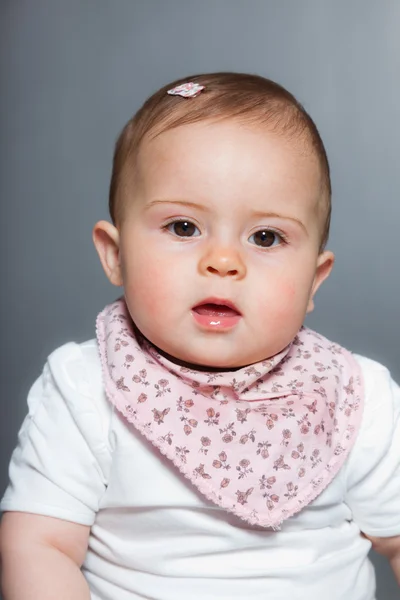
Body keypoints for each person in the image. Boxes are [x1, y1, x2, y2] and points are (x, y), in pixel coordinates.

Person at [0, 72, 399, 600]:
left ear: (313, 281)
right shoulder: (86, 387)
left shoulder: (354, 397)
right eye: (184, 228)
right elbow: (38, 545)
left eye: (265, 236)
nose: (223, 262)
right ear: (115, 254)